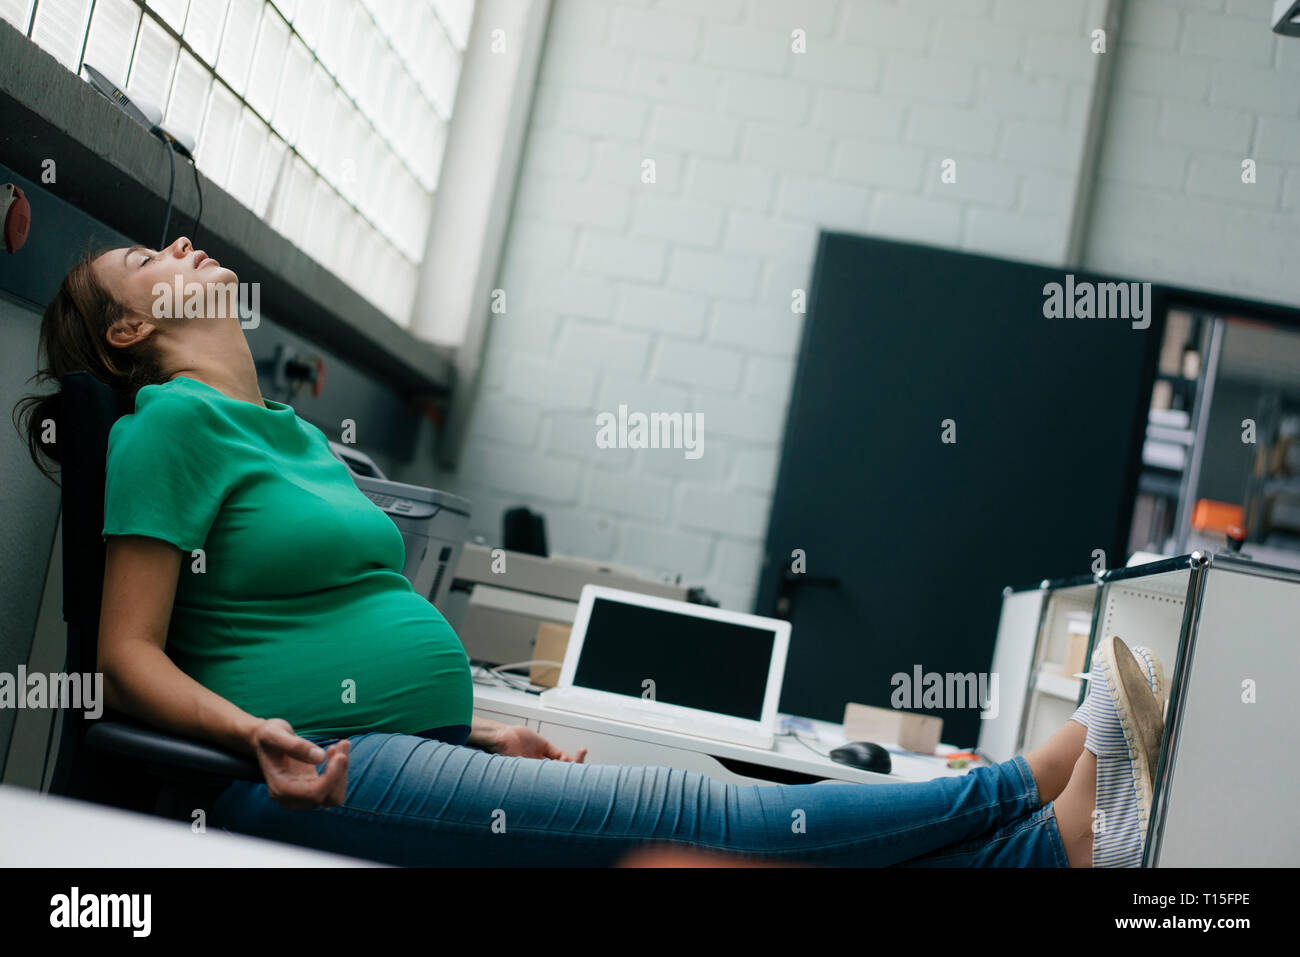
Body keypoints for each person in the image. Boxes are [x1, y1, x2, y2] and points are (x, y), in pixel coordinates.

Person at [14, 238, 1167, 867]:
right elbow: (126, 656)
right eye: (141, 257)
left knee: (707, 844)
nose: (178, 242)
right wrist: (251, 734)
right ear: (130, 330)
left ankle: (1040, 856)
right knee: (695, 813)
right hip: (311, 770)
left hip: (411, 741)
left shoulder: (302, 438)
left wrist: (469, 724)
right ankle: (1025, 790)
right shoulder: (169, 425)